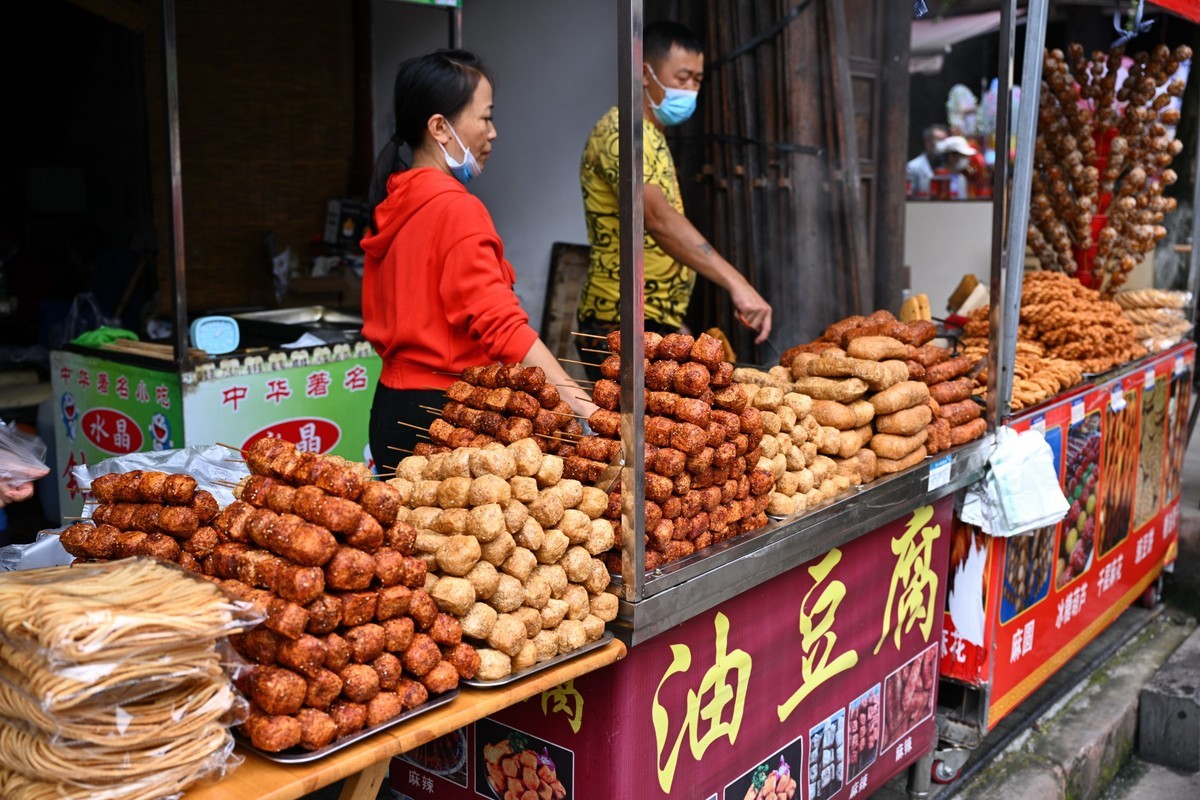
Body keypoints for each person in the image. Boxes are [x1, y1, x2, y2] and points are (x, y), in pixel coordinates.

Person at [361, 49, 597, 470]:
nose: (493, 132)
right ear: (440, 127)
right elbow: (503, 328)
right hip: (443, 417)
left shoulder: (395, 200)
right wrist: (586, 408)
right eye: (485, 117)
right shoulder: (456, 208)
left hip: (390, 410)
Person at [576, 21, 771, 377]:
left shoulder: (651, 136)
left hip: (651, 320)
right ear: (644, 72)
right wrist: (737, 284)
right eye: (682, 78)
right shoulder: (621, 132)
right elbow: (658, 220)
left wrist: (671, 322)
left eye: (697, 80)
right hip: (617, 320)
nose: (691, 89)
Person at [905, 124, 948, 198]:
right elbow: (909, 196)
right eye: (939, 140)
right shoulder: (913, 167)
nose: (943, 144)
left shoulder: (949, 164)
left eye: (944, 140)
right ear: (927, 142)